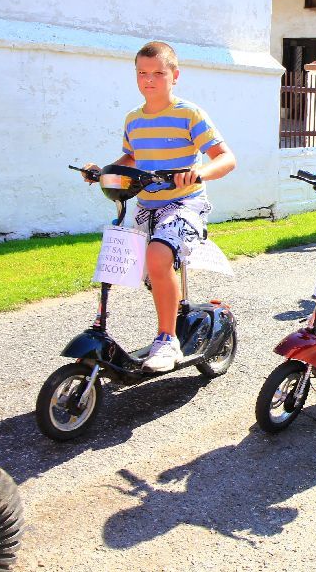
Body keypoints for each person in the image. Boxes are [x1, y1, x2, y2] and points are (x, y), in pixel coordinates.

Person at [84, 41, 237, 372]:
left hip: (185, 202)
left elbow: (226, 158)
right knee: (137, 267)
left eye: (157, 73)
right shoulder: (133, 120)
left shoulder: (189, 114)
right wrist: (104, 171)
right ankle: (175, 318)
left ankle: (167, 341)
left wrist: (199, 171)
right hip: (147, 205)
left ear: (175, 75)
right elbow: (132, 156)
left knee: (157, 256)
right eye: (142, 73)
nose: (149, 80)